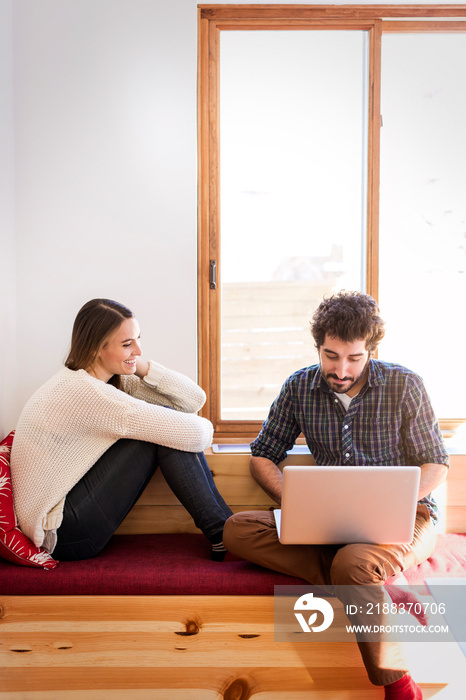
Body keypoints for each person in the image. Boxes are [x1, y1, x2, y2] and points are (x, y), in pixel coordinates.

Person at [223, 291, 449, 700]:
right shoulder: (299, 387)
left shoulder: (405, 385)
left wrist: (395, 502)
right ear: (318, 347)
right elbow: (262, 456)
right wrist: (291, 500)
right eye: (330, 356)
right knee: (238, 530)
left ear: (371, 351)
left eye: (353, 358)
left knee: (352, 562)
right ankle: (357, 581)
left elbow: (436, 462)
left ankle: (400, 686)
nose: (340, 369)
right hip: (329, 523)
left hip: (406, 518)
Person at [10, 298, 232, 561]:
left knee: (165, 424)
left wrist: (135, 364)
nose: (138, 349)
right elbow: (198, 433)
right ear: (96, 348)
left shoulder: (106, 379)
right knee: (164, 428)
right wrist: (130, 363)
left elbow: (194, 399)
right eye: (127, 344)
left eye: (137, 339)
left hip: (67, 515)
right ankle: (225, 534)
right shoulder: (87, 393)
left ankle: (226, 533)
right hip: (64, 535)